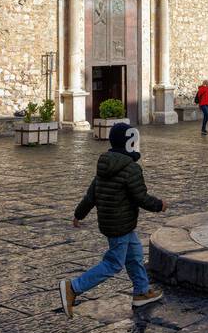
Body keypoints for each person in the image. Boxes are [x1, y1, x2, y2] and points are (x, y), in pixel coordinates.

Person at [59, 121, 164, 317]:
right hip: (120, 224)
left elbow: (91, 195)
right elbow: (141, 197)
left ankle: (141, 291)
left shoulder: (105, 165)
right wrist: (159, 205)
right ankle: (73, 288)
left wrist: (79, 214)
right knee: (114, 263)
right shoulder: (131, 168)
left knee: (134, 255)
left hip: (113, 223)